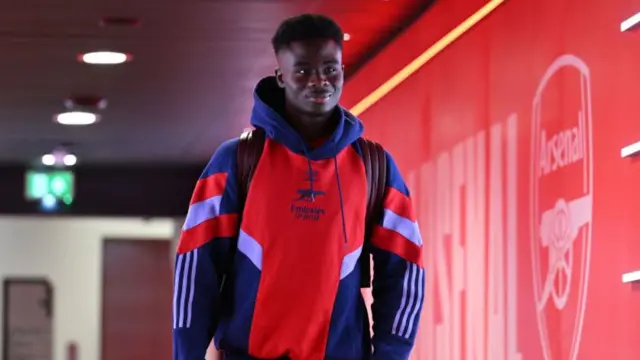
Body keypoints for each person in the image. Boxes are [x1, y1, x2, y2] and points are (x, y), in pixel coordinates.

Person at [173, 13, 425, 360]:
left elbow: (404, 269)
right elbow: (196, 264)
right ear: (281, 76)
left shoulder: (375, 167)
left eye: (330, 69)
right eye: (303, 70)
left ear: (342, 71)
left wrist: (390, 355)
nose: (318, 81)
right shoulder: (237, 160)